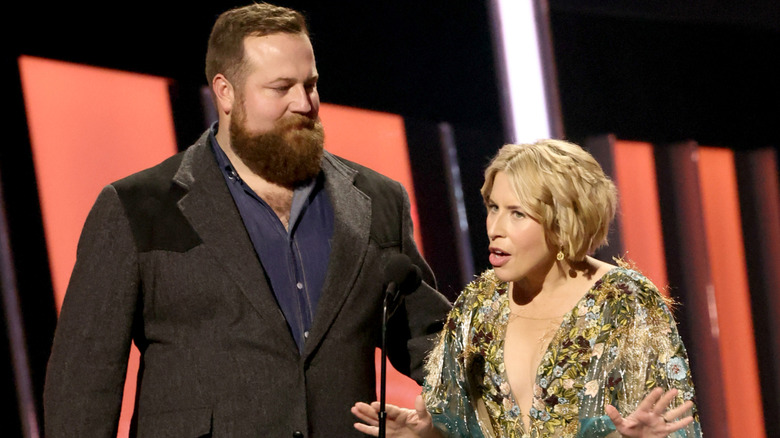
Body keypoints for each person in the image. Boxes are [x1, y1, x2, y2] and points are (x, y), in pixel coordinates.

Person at [43, 3, 451, 436]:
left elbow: (433, 344)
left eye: (311, 84)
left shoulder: (377, 199)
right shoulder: (136, 207)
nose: (305, 103)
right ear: (225, 92)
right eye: (281, 88)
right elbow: (83, 384)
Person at [352, 139, 702, 437]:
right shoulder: (478, 306)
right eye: (493, 208)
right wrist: (427, 434)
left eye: (517, 213)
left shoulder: (625, 303)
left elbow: (671, 422)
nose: (495, 228)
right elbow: (456, 423)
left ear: (564, 221)